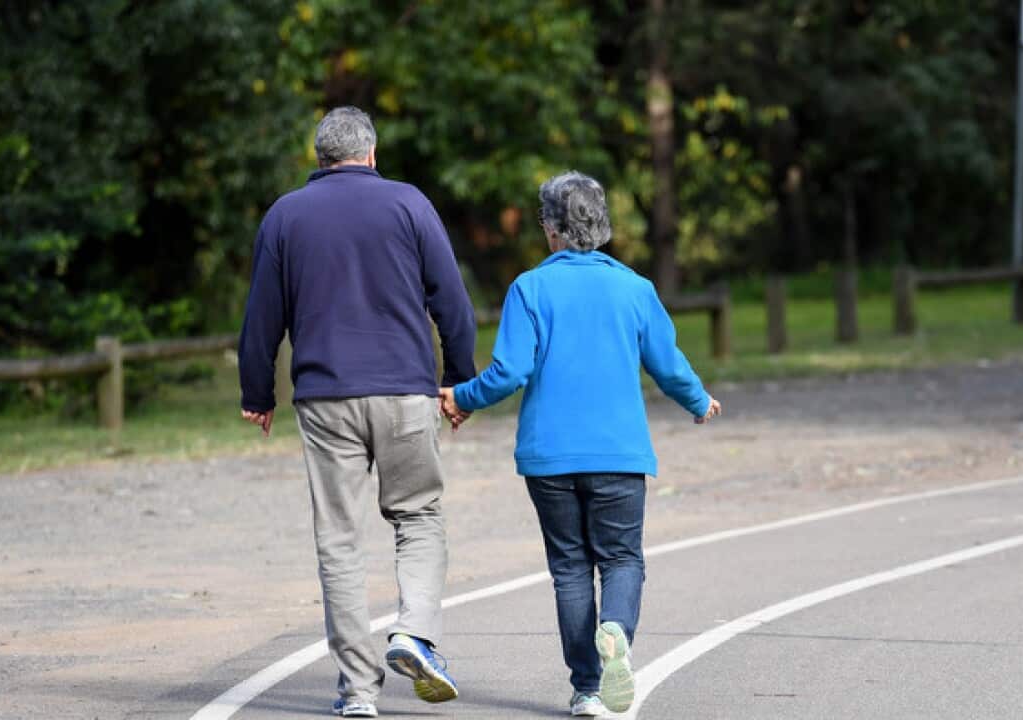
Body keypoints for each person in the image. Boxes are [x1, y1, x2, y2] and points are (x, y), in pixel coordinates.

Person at [439, 171, 721, 717]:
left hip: (549, 458)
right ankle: (616, 629)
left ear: (550, 230)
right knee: (621, 559)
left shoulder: (529, 288)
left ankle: (587, 688)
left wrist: (463, 398)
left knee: (569, 568)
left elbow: (510, 370)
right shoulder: (635, 289)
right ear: (604, 225)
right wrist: (698, 400)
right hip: (618, 453)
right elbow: (667, 365)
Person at [239, 106, 476, 719]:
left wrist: (256, 393)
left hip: (324, 398)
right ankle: (413, 633)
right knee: (418, 516)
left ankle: (358, 694)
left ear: (319, 158)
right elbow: (451, 299)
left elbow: (263, 316)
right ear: (372, 154)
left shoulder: (285, 215)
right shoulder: (409, 204)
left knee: (339, 542)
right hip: (404, 392)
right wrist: (459, 381)